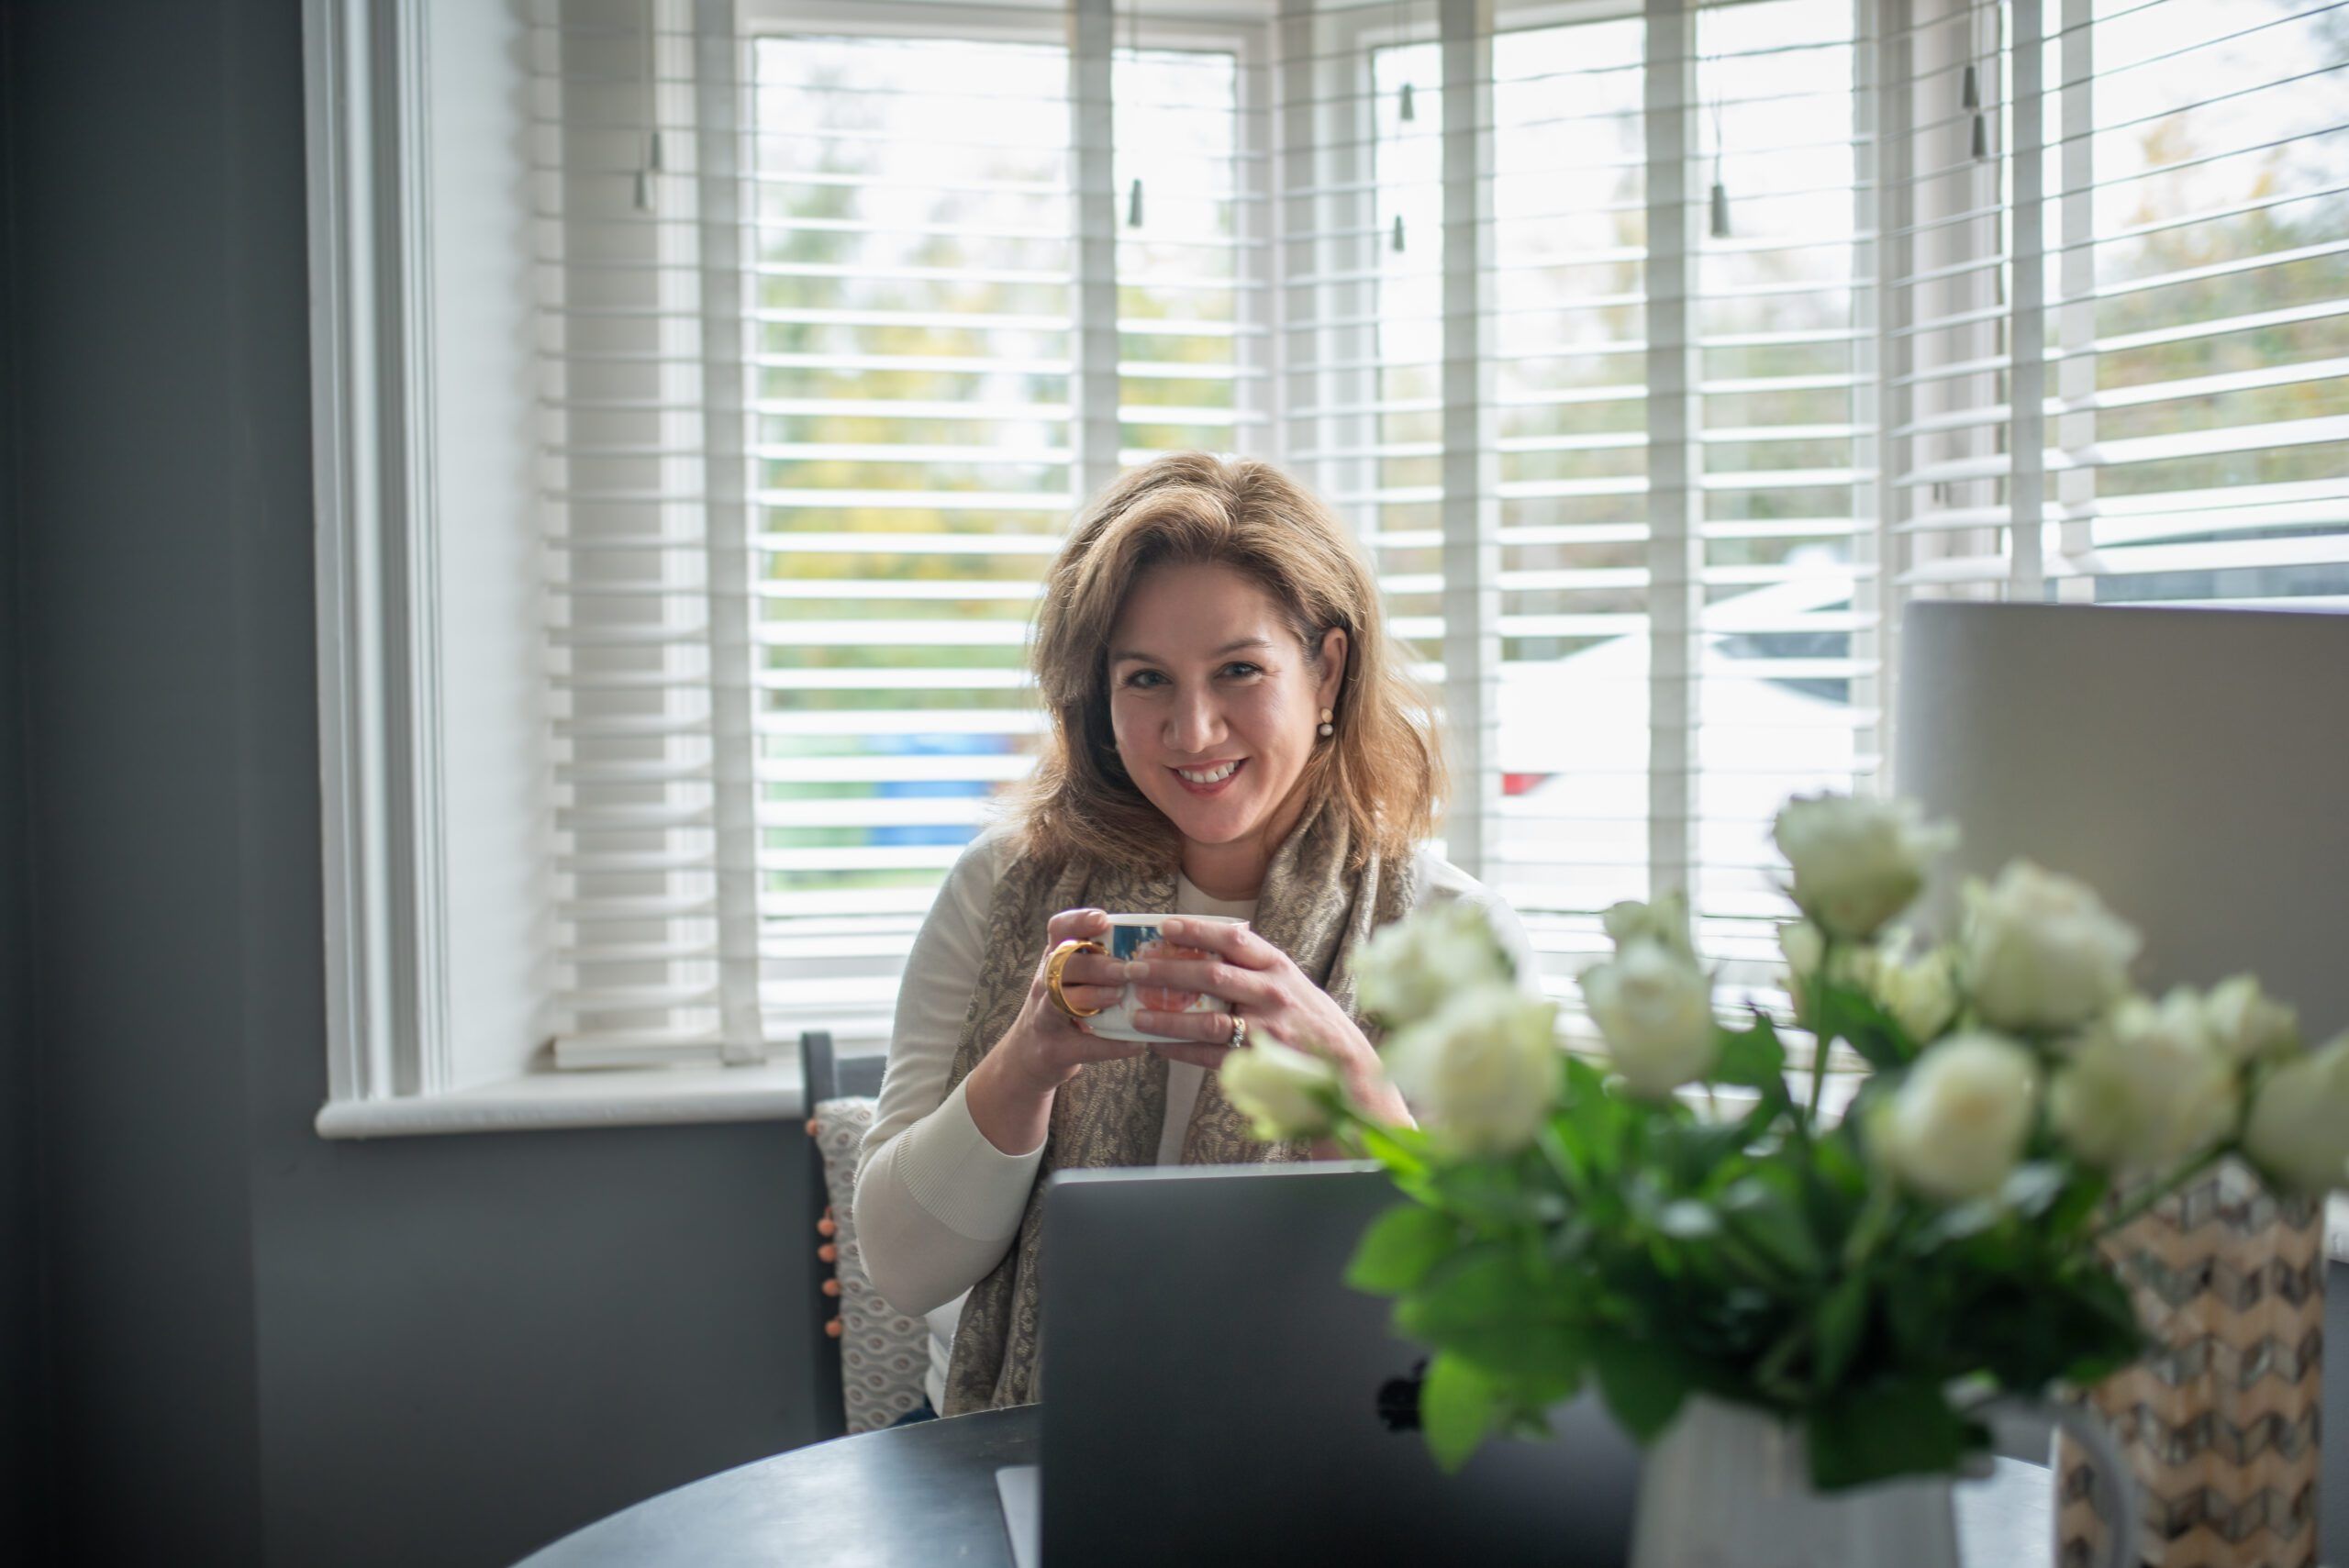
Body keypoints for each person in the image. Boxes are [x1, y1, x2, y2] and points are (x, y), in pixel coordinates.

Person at [853, 452, 1536, 1419]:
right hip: (1009, 1439)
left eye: (1239, 670)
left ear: (1327, 667)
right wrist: (1028, 1057)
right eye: (1146, 679)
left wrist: (1356, 1089)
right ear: (1098, 694)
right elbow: (902, 1267)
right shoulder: (1000, 890)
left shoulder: (1449, 934)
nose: (1194, 728)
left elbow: (1493, 1321)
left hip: (1315, 1444)